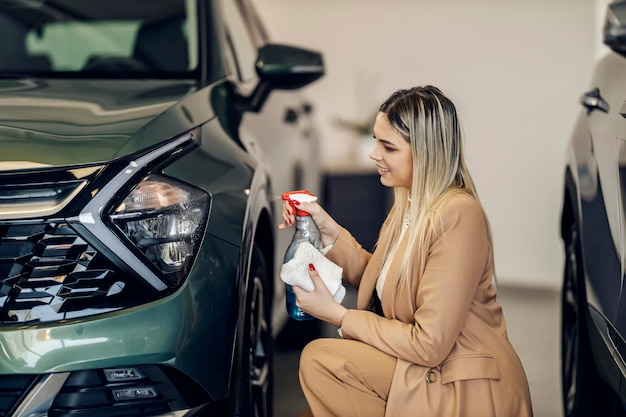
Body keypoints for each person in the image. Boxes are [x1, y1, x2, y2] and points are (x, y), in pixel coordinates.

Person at [278, 85, 533, 417]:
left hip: (460, 384)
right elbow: (389, 280)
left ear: (426, 153)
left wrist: (338, 315)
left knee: (322, 362)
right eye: (375, 141)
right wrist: (327, 229)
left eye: (388, 147)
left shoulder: (459, 215)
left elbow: (429, 344)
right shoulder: (408, 206)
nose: (374, 154)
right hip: (426, 370)